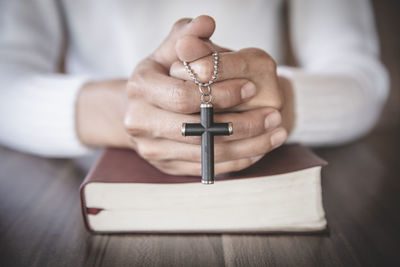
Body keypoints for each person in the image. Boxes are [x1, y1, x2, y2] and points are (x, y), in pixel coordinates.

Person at [0, 0, 389, 175]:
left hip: (265, 151)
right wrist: (125, 108)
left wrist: (272, 103)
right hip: (89, 162)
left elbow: (362, 78)